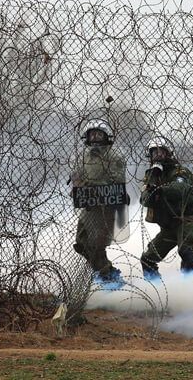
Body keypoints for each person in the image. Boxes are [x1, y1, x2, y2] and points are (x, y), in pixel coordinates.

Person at [139, 135, 193, 279]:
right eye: (154, 153)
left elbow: (180, 187)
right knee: (148, 258)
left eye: (161, 152)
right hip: (168, 226)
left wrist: (160, 190)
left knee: (186, 251)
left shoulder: (179, 171)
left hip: (186, 220)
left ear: (168, 153)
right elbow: (145, 199)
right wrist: (153, 178)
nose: (158, 156)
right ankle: (155, 290)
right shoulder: (151, 175)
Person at [71, 119, 127, 285]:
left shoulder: (113, 156)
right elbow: (78, 177)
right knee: (81, 243)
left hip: (106, 208)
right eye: (92, 134)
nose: (95, 138)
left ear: (106, 136)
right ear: (87, 137)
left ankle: (110, 279)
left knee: (97, 245)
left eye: (99, 134)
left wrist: (92, 185)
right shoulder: (83, 156)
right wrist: (77, 184)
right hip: (88, 207)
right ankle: (106, 272)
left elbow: (117, 181)